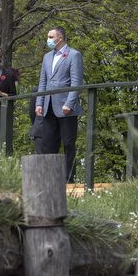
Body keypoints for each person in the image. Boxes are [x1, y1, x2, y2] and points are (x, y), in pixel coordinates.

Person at [35, 26, 83, 182]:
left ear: (60, 38)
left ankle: (69, 179)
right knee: (48, 143)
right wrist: (39, 102)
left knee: (68, 143)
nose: (48, 39)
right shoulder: (47, 57)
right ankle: (50, 179)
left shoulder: (74, 55)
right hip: (48, 106)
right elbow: (43, 82)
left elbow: (76, 82)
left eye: (50, 36)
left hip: (66, 108)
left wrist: (69, 103)